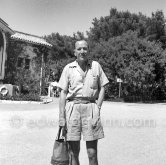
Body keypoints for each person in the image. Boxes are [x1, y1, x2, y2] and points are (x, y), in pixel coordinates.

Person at [58, 40, 109, 165]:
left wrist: (98, 107)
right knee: (73, 153)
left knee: (92, 153)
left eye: (85, 49)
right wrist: (61, 117)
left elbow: (103, 86)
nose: (82, 51)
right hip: (72, 109)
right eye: (79, 49)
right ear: (75, 52)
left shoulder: (96, 66)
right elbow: (63, 93)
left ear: (88, 51)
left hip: (91, 109)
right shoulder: (68, 68)